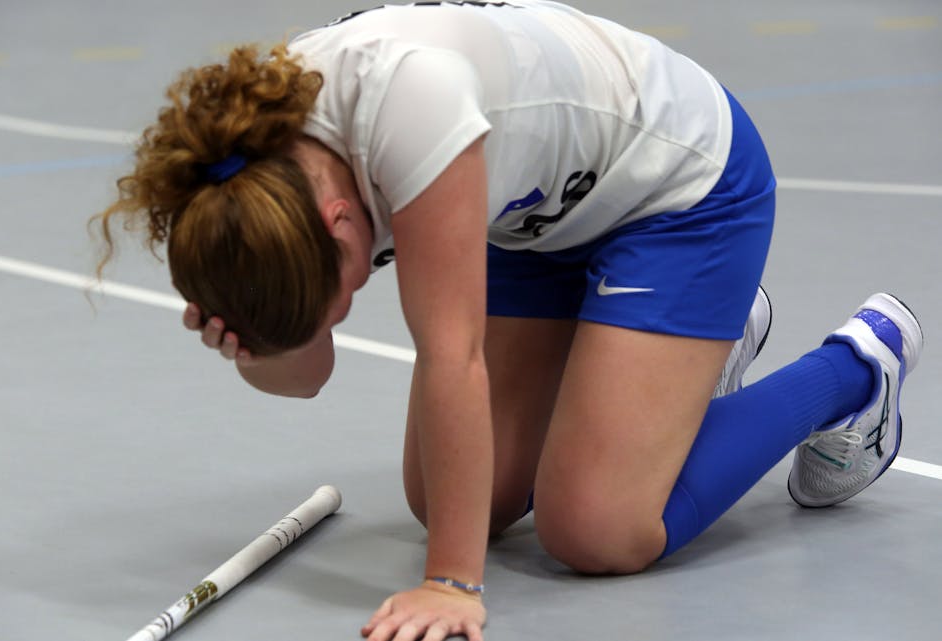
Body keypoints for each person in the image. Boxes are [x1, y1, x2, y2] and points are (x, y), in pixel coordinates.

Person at [93, 2, 923, 640]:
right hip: (535, 212)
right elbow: (308, 374)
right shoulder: (260, 193)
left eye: (335, 295)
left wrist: (451, 585)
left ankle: (856, 369)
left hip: (680, 189)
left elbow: (451, 357)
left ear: (345, 221)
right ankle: (699, 346)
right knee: (455, 498)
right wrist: (265, 334)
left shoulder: (409, 111)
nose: (341, 314)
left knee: (595, 528)